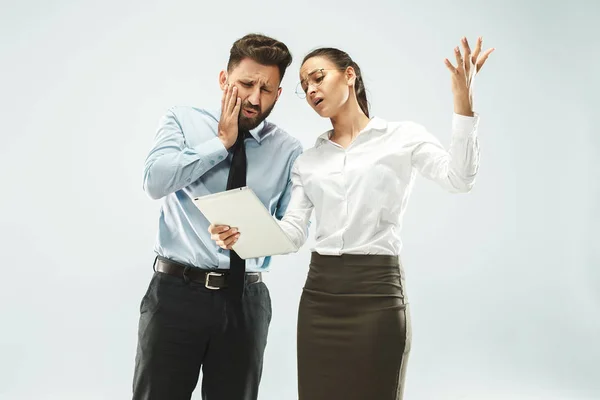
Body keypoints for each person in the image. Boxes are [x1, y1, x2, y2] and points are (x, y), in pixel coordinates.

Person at [210, 36, 494, 399]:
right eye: (303, 85)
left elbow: (460, 179)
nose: (311, 89)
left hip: (377, 294)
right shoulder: (308, 160)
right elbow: (293, 234)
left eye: (317, 77)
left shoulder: (402, 138)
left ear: (349, 75)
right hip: (319, 298)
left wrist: (463, 105)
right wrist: (242, 233)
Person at [133, 33, 303, 400]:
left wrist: (252, 234)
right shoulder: (182, 120)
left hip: (246, 301)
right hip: (176, 294)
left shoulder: (288, 150)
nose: (255, 98)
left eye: (268, 89)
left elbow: (291, 229)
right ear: (224, 80)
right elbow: (155, 182)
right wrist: (220, 145)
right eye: (246, 84)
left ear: (278, 93)